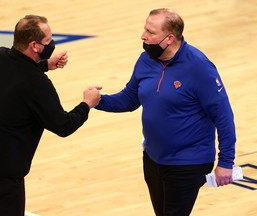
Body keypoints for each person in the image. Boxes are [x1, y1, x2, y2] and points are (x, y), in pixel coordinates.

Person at [95, 8, 236, 216]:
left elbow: (223, 115)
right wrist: (97, 101)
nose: (143, 36)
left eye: (150, 32)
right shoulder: (146, 60)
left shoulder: (199, 68)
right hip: (153, 157)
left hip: (188, 162)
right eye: (145, 29)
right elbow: (129, 99)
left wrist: (226, 162)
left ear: (169, 38)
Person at [0, 15, 101, 216]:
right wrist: (87, 104)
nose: (52, 44)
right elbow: (63, 125)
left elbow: (15, 77)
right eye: (48, 41)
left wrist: (44, 64)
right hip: (4, 174)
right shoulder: (37, 84)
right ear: (34, 45)